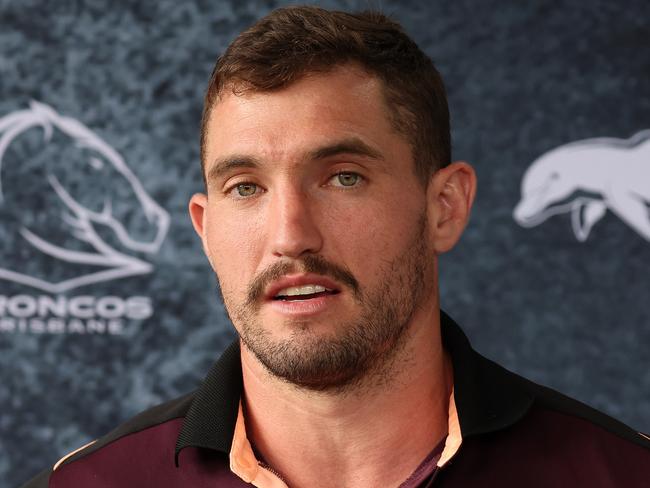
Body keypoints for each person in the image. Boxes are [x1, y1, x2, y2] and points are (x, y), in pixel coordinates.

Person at [22, 6, 649, 488]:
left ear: (444, 208)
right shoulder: (89, 484)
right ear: (205, 229)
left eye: (343, 177)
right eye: (246, 188)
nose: (291, 235)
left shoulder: (619, 475)